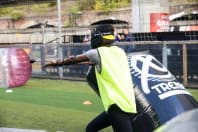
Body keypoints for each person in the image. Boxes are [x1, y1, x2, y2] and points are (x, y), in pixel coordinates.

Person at [44, 24, 137, 132]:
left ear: (98, 37)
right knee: (91, 128)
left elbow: (73, 60)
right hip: (126, 103)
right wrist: (96, 64)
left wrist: (56, 63)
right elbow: (111, 65)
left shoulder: (96, 53)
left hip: (117, 106)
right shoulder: (120, 52)